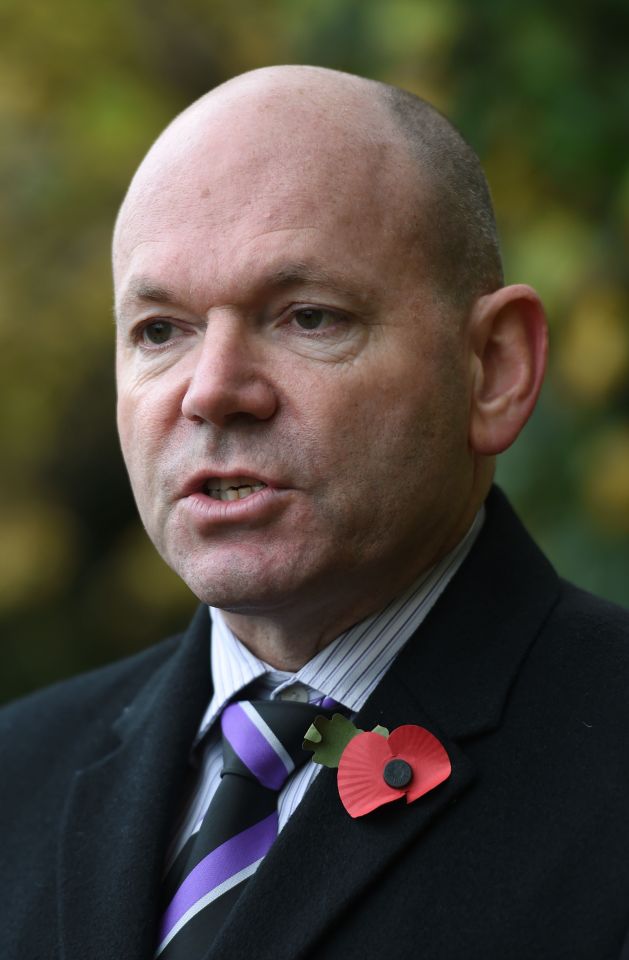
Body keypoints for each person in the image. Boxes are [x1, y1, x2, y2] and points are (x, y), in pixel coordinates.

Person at [1, 65, 628, 960]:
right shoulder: (17, 772)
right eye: (159, 330)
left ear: (492, 369)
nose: (212, 391)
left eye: (306, 317)